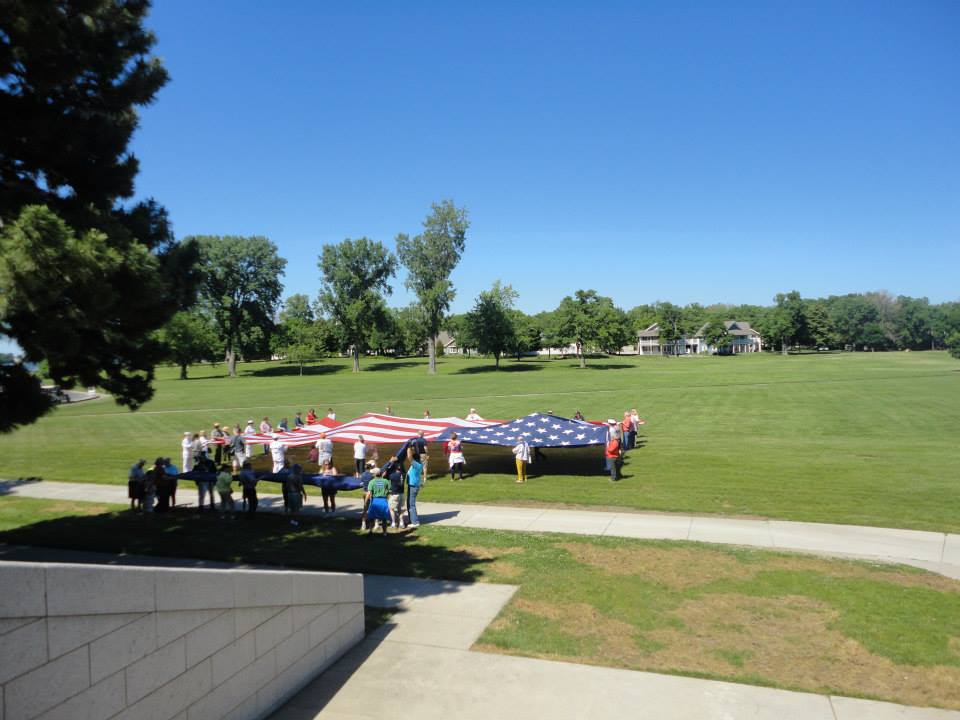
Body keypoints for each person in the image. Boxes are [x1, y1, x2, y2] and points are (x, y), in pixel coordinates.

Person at [365, 469, 391, 535]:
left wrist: (366, 503)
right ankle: (384, 532)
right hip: (383, 501)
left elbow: (368, 493)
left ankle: (370, 531)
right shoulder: (386, 481)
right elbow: (389, 491)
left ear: (374, 474)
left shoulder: (371, 482)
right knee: (384, 518)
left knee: (372, 517)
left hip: (375, 501)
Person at [405, 451, 424, 528]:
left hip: (413, 486)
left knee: (411, 504)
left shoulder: (416, 464)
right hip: (412, 485)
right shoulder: (419, 464)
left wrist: (408, 448)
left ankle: (415, 522)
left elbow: (409, 457)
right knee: (409, 503)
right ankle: (411, 520)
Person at [387, 461, 406, 529]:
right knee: (400, 509)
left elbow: (386, 473)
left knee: (391, 509)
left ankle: (393, 523)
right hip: (402, 494)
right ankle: (401, 523)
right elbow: (403, 469)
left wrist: (390, 464)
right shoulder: (403, 474)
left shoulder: (392, 475)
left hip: (394, 494)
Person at [358, 461, 376, 529]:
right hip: (371, 493)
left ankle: (363, 524)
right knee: (373, 508)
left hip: (365, 492)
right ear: (370, 467)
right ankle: (374, 524)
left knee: (365, 508)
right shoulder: (372, 475)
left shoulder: (362, 475)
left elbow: (361, 482)